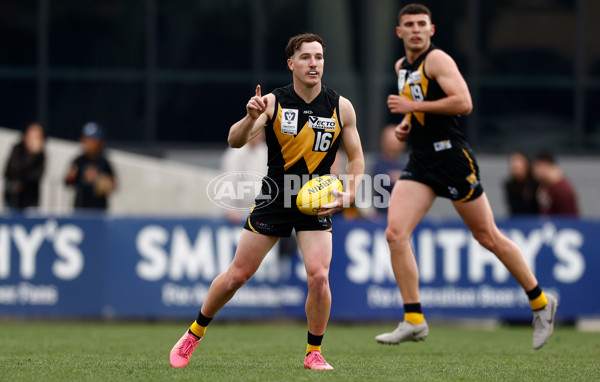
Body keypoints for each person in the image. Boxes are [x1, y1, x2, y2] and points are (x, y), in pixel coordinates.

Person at [169, 33, 365, 370]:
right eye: (305, 57)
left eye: (318, 57)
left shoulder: (340, 106)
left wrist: (351, 191)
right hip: (275, 197)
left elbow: (357, 157)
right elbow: (234, 141)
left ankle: (313, 352)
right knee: (237, 276)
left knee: (319, 276)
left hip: (314, 200)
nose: (313, 63)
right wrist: (249, 117)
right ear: (291, 64)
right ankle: (193, 333)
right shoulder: (273, 102)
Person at [376, 3, 557, 350]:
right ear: (399, 32)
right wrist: (406, 124)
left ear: (432, 30)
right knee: (395, 233)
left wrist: (413, 109)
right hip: (422, 161)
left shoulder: (438, 60)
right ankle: (414, 319)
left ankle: (540, 302)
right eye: (409, 25)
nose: (415, 29)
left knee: (488, 236)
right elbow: (417, 101)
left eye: (421, 24)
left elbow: (463, 102)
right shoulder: (402, 66)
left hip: (452, 158)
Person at [64, 122, 116, 210]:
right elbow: (67, 182)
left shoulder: (103, 162)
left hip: (99, 209)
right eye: (86, 140)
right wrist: (70, 177)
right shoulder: (79, 161)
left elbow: (113, 183)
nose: (89, 144)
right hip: (81, 207)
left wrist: (107, 184)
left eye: (93, 140)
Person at [3, 122, 46, 209]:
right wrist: (30, 154)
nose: (33, 139)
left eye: (37, 136)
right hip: (12, 199)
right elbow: (10, 170)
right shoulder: (17, 149)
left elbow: (37, 175)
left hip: (30, 201)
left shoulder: (40, 155)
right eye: (32, 135)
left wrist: (34, 155)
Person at [371, 124, 407, 216]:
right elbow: (383, 181)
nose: (393, 144)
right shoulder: (378, 165)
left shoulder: (406, 165)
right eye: (390, 140)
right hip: (382, 216)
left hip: (403, 215)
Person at [532, 151, 578, 216]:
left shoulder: (562, 190)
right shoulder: (544, 186)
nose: (534, 171)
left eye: (536, 166)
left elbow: (568, 219)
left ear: (544, 165)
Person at [504, 151, 539, 215]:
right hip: (517, 221)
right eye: (513, 162)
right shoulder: (509, 185)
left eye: (518, 161)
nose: (515, 164)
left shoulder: (536, 183)